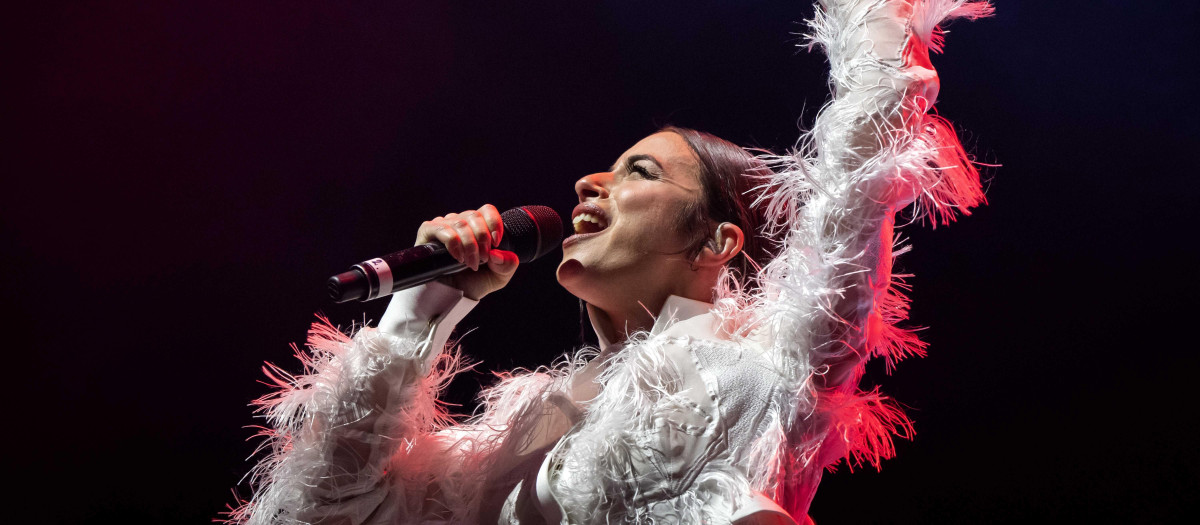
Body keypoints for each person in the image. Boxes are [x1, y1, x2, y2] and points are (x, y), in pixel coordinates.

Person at [230, 1, 991, 523]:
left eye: (641, 173)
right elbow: (315, 510)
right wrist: (417, 316)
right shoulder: (507, 437)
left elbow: (854, 191)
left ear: (715, 243)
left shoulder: (763, 369)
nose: (589, 182)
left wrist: (880, 33)